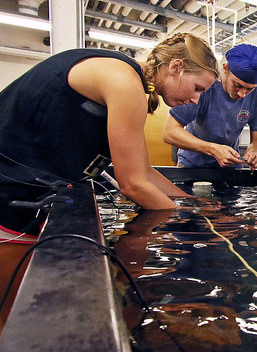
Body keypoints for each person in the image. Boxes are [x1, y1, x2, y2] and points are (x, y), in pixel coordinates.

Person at [0, 32, 218, 330]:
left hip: (26, 184)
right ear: (176, 67)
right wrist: (179, 218)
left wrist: (192, 204)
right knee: (11, 312)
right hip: (10, 187)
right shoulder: (124, 82)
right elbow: (132, 185)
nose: (196, 99)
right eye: (197, 88)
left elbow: (145, 172)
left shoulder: (126, 79)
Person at [163, 43, 257, 169]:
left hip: (229, 167)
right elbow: (170, 132)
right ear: (225, 68)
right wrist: (212, 149)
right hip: (192, 165)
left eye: (250, 89)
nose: (242, 94)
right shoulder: (203, 87)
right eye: (237, 85)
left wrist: (254, 153)